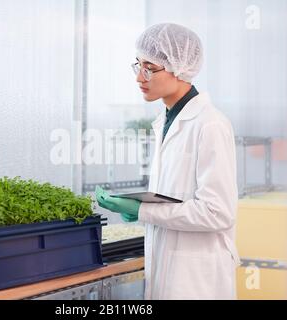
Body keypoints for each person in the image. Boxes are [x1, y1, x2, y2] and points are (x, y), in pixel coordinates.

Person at [95, 23, 240, 300]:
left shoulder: (210, 124)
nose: (139, 77)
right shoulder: (165, 121)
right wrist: (139, 207)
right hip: (169, 271)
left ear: (179, 67)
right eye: (137, 65)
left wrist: (143, 211)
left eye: (149, 67)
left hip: (198, 281)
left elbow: (217, 212)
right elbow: (174, 197)